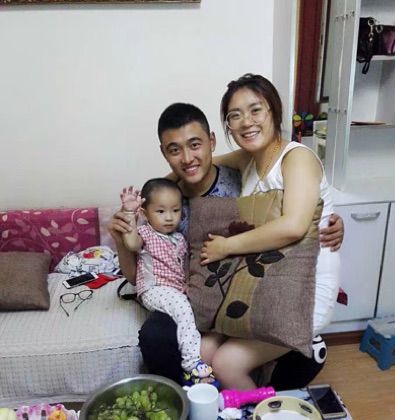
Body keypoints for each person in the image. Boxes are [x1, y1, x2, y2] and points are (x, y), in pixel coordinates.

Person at [107, 102, 344, 388]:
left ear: (211, 141)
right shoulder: (164, 200)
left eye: (195, 145)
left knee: (288, 349)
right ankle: (184, 398)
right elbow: (137, 275)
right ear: (164, 153)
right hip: (189, 294)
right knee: (156, 336)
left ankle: (269, 371)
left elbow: (286, 216)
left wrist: (326, 223)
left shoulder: (242, 179)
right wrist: (121, 239)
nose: (187, 158)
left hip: (240, 286)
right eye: (174, 150)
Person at [198, 73, 340, 389]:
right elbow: (198, 165)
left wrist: (226, 246)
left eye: (255, 110)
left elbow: (294, 225)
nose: (246, 122)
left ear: (273, 111)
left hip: (303, 288)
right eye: (235, 115)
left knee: (226, 362)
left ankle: (263, 406)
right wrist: (150, 195)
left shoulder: (297, 158)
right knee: (204, 349)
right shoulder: (247, 160)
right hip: (266, 282)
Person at [118, 179, 217, 385]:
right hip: (154, 288)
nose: (170, 217)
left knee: (193, 308)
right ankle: (192, 363)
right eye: (161, 211)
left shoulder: (179, 238)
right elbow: (131, 243)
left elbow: (184, 265)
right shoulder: (145, 233)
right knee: (182, 308)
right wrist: (128, 213)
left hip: (175, 290)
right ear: (145, 213)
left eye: (175, 210)